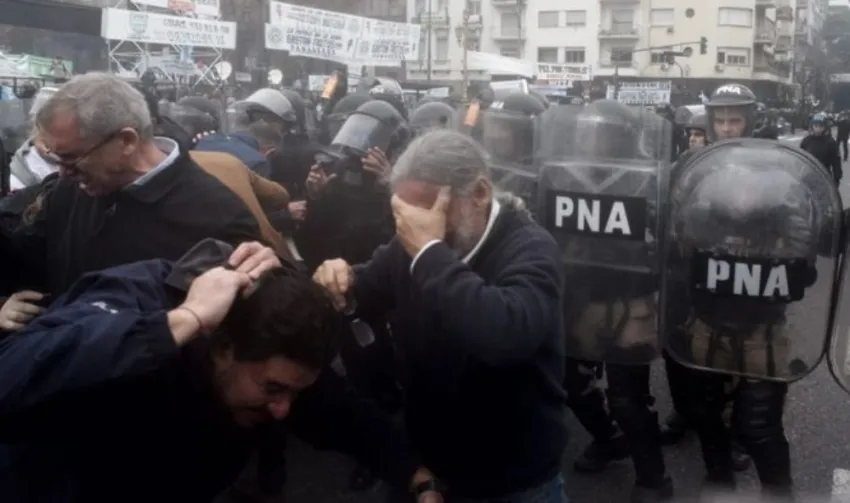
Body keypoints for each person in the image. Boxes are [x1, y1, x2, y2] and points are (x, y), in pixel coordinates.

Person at [0, 240, 440, 503]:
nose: (282, 410)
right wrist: (183, 321)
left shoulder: (278, 359)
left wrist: (418, 479)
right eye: (272, 389)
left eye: (292, 393)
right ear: (222, 347)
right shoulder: (138, 301)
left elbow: (348, 417)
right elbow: (13, 374)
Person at [313, 129, 568, 502]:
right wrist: (339, 277)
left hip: (512, 476)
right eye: (408, 216)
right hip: (428, 460)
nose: (417, 230)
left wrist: (430, 253)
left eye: (431, 214)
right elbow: (369, 284)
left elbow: (505, 335)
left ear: (480, 193)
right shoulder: (414, 247)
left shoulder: (529, 248)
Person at [0, 72, 263, 315]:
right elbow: (24, 260)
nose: (64, 173)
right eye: (56, 159)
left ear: (126, 141)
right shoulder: (66, 192)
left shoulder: (217, 215)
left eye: (71, 159)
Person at [800, 113, 842, 184]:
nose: (818, 129)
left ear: (825, 127)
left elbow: (836, 162)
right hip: (808, 176)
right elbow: (800, 158)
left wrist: (836, 179)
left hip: (824, 177)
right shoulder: (806, 141)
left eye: (821, 126)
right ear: (812, 126)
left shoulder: (831, 143)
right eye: (816, 126)